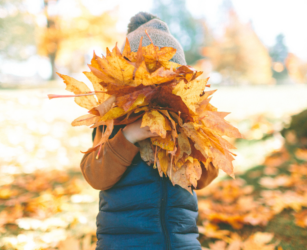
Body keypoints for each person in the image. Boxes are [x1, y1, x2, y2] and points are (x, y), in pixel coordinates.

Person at [80, 12, 219, 250]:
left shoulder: (187, 120)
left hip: (180, 241)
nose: (157, 86)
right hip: (124, 242)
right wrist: (129, 136)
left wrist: (190, 138)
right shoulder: (114, 119)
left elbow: (205, 177)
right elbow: (95, 175)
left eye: (168, 76)